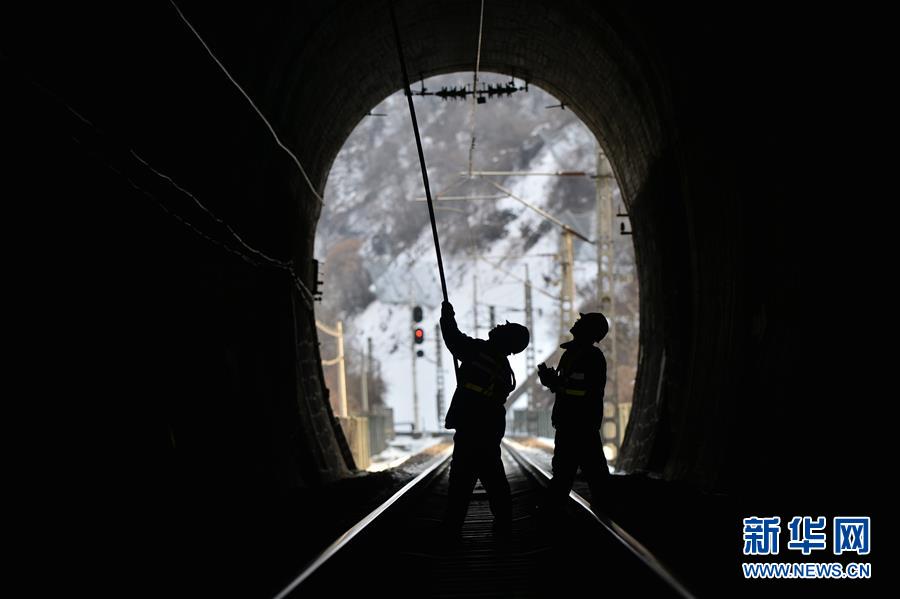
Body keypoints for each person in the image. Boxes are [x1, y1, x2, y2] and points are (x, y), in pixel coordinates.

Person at [439, 300, 530, 538]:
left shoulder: (481, 352)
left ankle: (451, 532)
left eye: (504, 328)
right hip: (488, 428)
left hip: (473, 428)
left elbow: (454, 340)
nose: (498, 326)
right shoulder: (500, 363)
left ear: (506, 340)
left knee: (461, 482)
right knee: (494, 480)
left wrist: (447, 317)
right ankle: (503, 528)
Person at [537, 312, 610, 513]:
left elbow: (581, 390)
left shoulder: (592, 357)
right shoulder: (571, 354)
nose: (576, 322)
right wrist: (554, 382)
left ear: (588, 330)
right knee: (590, 473)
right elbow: (569, 387)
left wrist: (555, 382)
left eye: (582, 322)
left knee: (572, 473)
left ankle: (551, 515)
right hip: (570, 422)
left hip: (580, 424)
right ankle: (604, 514)